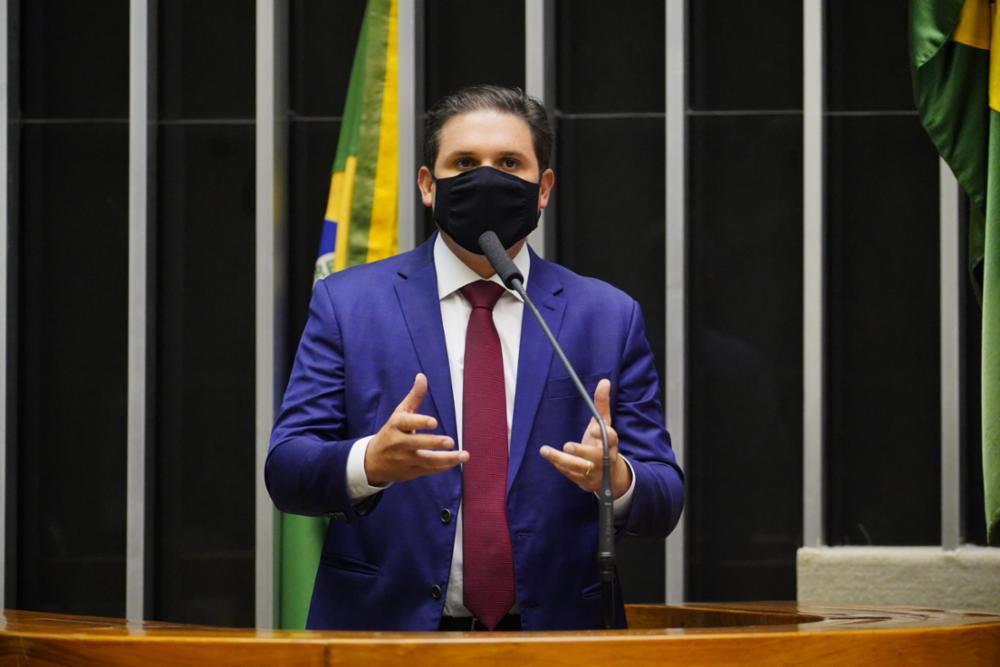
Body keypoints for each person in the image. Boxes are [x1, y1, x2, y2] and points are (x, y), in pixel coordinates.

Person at [266, 84, 684, 632]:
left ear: (543, 189)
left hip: (560, 638)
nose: (487, 177)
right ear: (427, 185)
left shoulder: (606, 315)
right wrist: (370, 463)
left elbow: (664, 499)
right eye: (464, 163)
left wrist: (619, 479)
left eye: (510, 163)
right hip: (385, 634)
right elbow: (287, 468)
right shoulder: (349, 304)